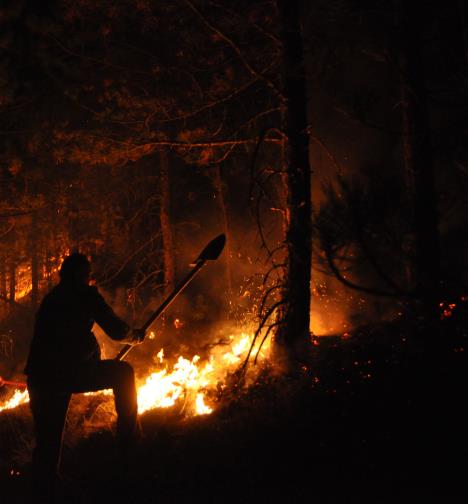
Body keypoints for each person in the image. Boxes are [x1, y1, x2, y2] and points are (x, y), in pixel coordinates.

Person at [24, 252, 145, 499]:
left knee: (47, 444)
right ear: (81, 275)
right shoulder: (84, 293)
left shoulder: (52, 298)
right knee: (124, 373)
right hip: (68, 374)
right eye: (88, 274)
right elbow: (115, 329)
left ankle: (43, 491)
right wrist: (135, 336)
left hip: (40, 378)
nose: (90, 279)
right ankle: (129, 443)